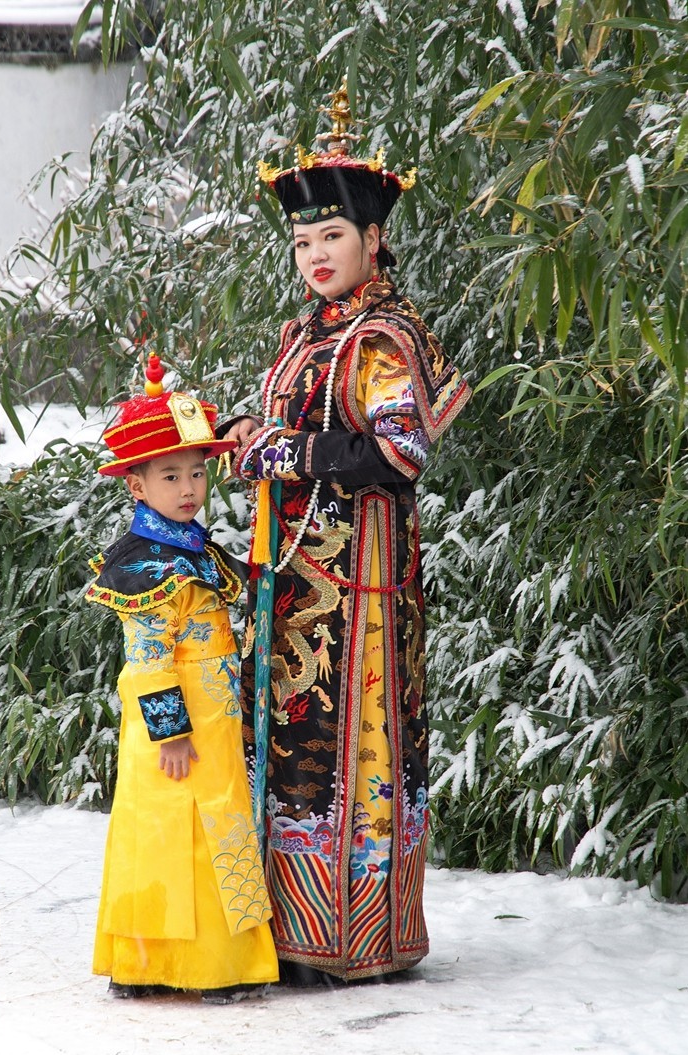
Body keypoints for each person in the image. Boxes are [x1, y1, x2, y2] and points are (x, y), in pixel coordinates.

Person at [228, 81, 472, 986]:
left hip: (360, 594)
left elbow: (397, 455)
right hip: (294, 588)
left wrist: (284, 451)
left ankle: (355, 937)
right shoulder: (303, 334)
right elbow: (289, 443)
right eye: (301, 241)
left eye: (332, 236)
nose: (315, 254)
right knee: (292, 748)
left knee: (348, 751)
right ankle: (287, 929)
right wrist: (246, 446)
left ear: (373, 240)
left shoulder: (382, 335)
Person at [86, 354, 279, 1002]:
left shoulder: (193, 547)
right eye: (170, 475)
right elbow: (146, 658)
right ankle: (173, 966)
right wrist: (169, 732)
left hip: (215, 720)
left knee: (212, 828)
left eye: (196, 472)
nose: (189, 486)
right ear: (136, 486)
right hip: (174, 727)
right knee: (166, 836)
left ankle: (197, 964)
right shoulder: (145, 564)